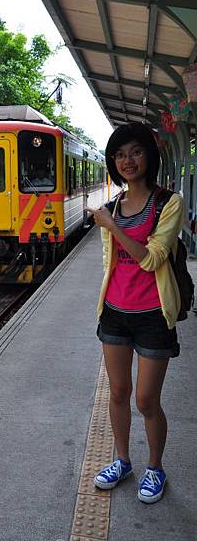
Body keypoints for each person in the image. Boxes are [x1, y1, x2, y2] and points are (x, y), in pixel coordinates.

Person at [86, 123, 185, 504]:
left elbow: (152, 258)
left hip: (153, 315)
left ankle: (155, 467)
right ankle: (123, 460)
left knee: (146, 400)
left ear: (149, 156)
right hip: (114, 312)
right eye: (120, 154)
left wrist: (112, 226)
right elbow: (113, 263)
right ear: (114, 162)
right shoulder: (111, 206)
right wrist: (110, 222)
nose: (128, 160)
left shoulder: (168, 203)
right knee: (118, 392)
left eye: (136, 152)